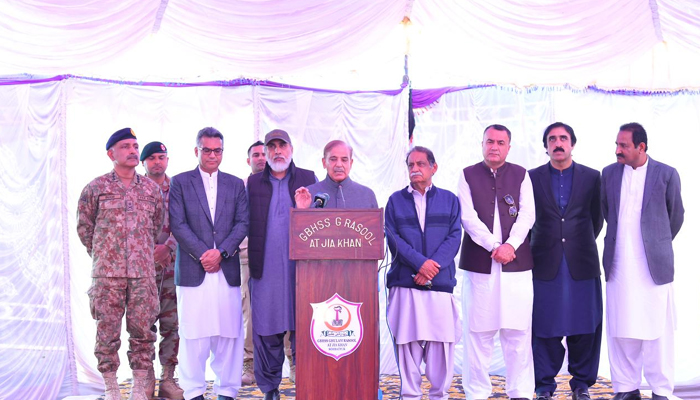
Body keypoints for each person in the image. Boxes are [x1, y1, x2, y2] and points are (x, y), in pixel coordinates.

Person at [77, 128, 164, 400]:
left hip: (142, 275)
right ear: (110, 153)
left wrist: (138, 255)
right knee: (107, 332)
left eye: (135, 146)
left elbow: (156, 226)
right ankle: (111, 387)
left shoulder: (151, 189)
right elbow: (84, 228)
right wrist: (106, 254)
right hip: (107, 275)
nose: (133, 151)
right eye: (125, 146)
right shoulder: (96, 188)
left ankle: (139, 387)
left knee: (143, 333)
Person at [601, 123, 684, 400]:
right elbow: (605, 210)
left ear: (641, 147)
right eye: (617, 144)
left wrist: (654, 242)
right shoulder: (609, 173)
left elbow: (675, 216)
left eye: (623, 145)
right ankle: (626, 387)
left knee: (657, 328)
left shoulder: (666, 174)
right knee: (621, 328)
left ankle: (661, 389)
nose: (617, 150)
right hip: (619, 262)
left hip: (653, 265)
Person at [169, 127, 249, 400]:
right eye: (207, 150)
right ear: (196, 151)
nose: (212, 155)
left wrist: (222, 252)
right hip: (194, 268)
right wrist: (204, 254)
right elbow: (177, 224)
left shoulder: (236, 183)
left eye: (217, 150)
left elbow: (243, 223)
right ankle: (193, 392)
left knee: (229, 333)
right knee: (194, 334)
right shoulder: (180, 182)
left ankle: (227, 391)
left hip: (225, 269)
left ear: (223, 152)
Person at [458, 124, 536, 400]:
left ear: (508, 147)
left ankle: (521, 391)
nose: (494, 146)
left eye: (500, 142)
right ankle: (477, 392)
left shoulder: (521, 175)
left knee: (518, 331)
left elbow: (527, 215)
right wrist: (494, 246)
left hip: (516, 264)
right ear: (482, 144)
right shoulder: (467, 175)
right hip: (481, 264)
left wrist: (510, 245)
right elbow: (467, 218)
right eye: (490, 141)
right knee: (478, 332)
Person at [528, 123, 603, 400]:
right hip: (544, 263)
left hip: (581, 261)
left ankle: (581, 385)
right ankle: (543, 386)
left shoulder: (592, 177)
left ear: (572, 143)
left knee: (586, 323)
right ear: (545, 145)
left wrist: (575, 240)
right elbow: (526, 220)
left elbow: (597, 219)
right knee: (543, 325)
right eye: (552, 139)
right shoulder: (531, 178)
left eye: (563, 138)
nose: (558, 143)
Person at [384, 146, 462, 400]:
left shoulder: (449, 199)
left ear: (433, 168)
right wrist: (420, 265)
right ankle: (410, 395)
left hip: (439, 284)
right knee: (406, 343)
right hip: (405, 283)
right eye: (410, 165)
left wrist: (431, 269)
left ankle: (439, 395)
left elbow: (454, 237)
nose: (415, 169)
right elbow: (393, 239)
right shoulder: (395, 201)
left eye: (420, 164)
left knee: (441, 343)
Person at [246, 129, 316, 400]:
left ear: (291, 149)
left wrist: (305, 210)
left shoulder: (307, 178)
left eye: (282, 146)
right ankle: (270, 388)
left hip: (301, 269)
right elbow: (243, 220)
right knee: (266, 329)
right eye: (271, 146)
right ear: (265, 151)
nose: (277, 151)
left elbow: (322, 218)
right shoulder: (253, 183)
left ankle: (306, 383)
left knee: (304, 325)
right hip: (265, 268)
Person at [140, 141, 186, 399]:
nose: (157, 162)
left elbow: (185, 221)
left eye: (162, 157)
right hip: (142, 269)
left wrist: (167, 247)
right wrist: (149, 251)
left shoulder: (177, 188)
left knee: (172, 324)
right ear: (143, 162)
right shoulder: (136, 188)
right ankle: (145, 377)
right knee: (142, 324)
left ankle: (167, 379)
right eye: (152, 158)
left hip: (172, 266)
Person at [240, 140, 266, 386]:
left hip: (278, 256)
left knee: (286, 306)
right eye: (256, 154)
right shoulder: (241, 187)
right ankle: (249, 362)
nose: (261, 158)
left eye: (264, 154)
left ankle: (292, 359)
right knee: (248, 312)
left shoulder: (284, 185)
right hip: (247, 255)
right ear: (248, 160)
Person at [295, 139, 378, 209]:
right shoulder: (309, 195)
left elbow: (377, 227)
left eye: (344, 160)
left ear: (351, 163)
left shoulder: (366, 195)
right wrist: (301, 210)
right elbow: (297, 227)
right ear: (324, 163)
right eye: (333, 159)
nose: (339, 164)